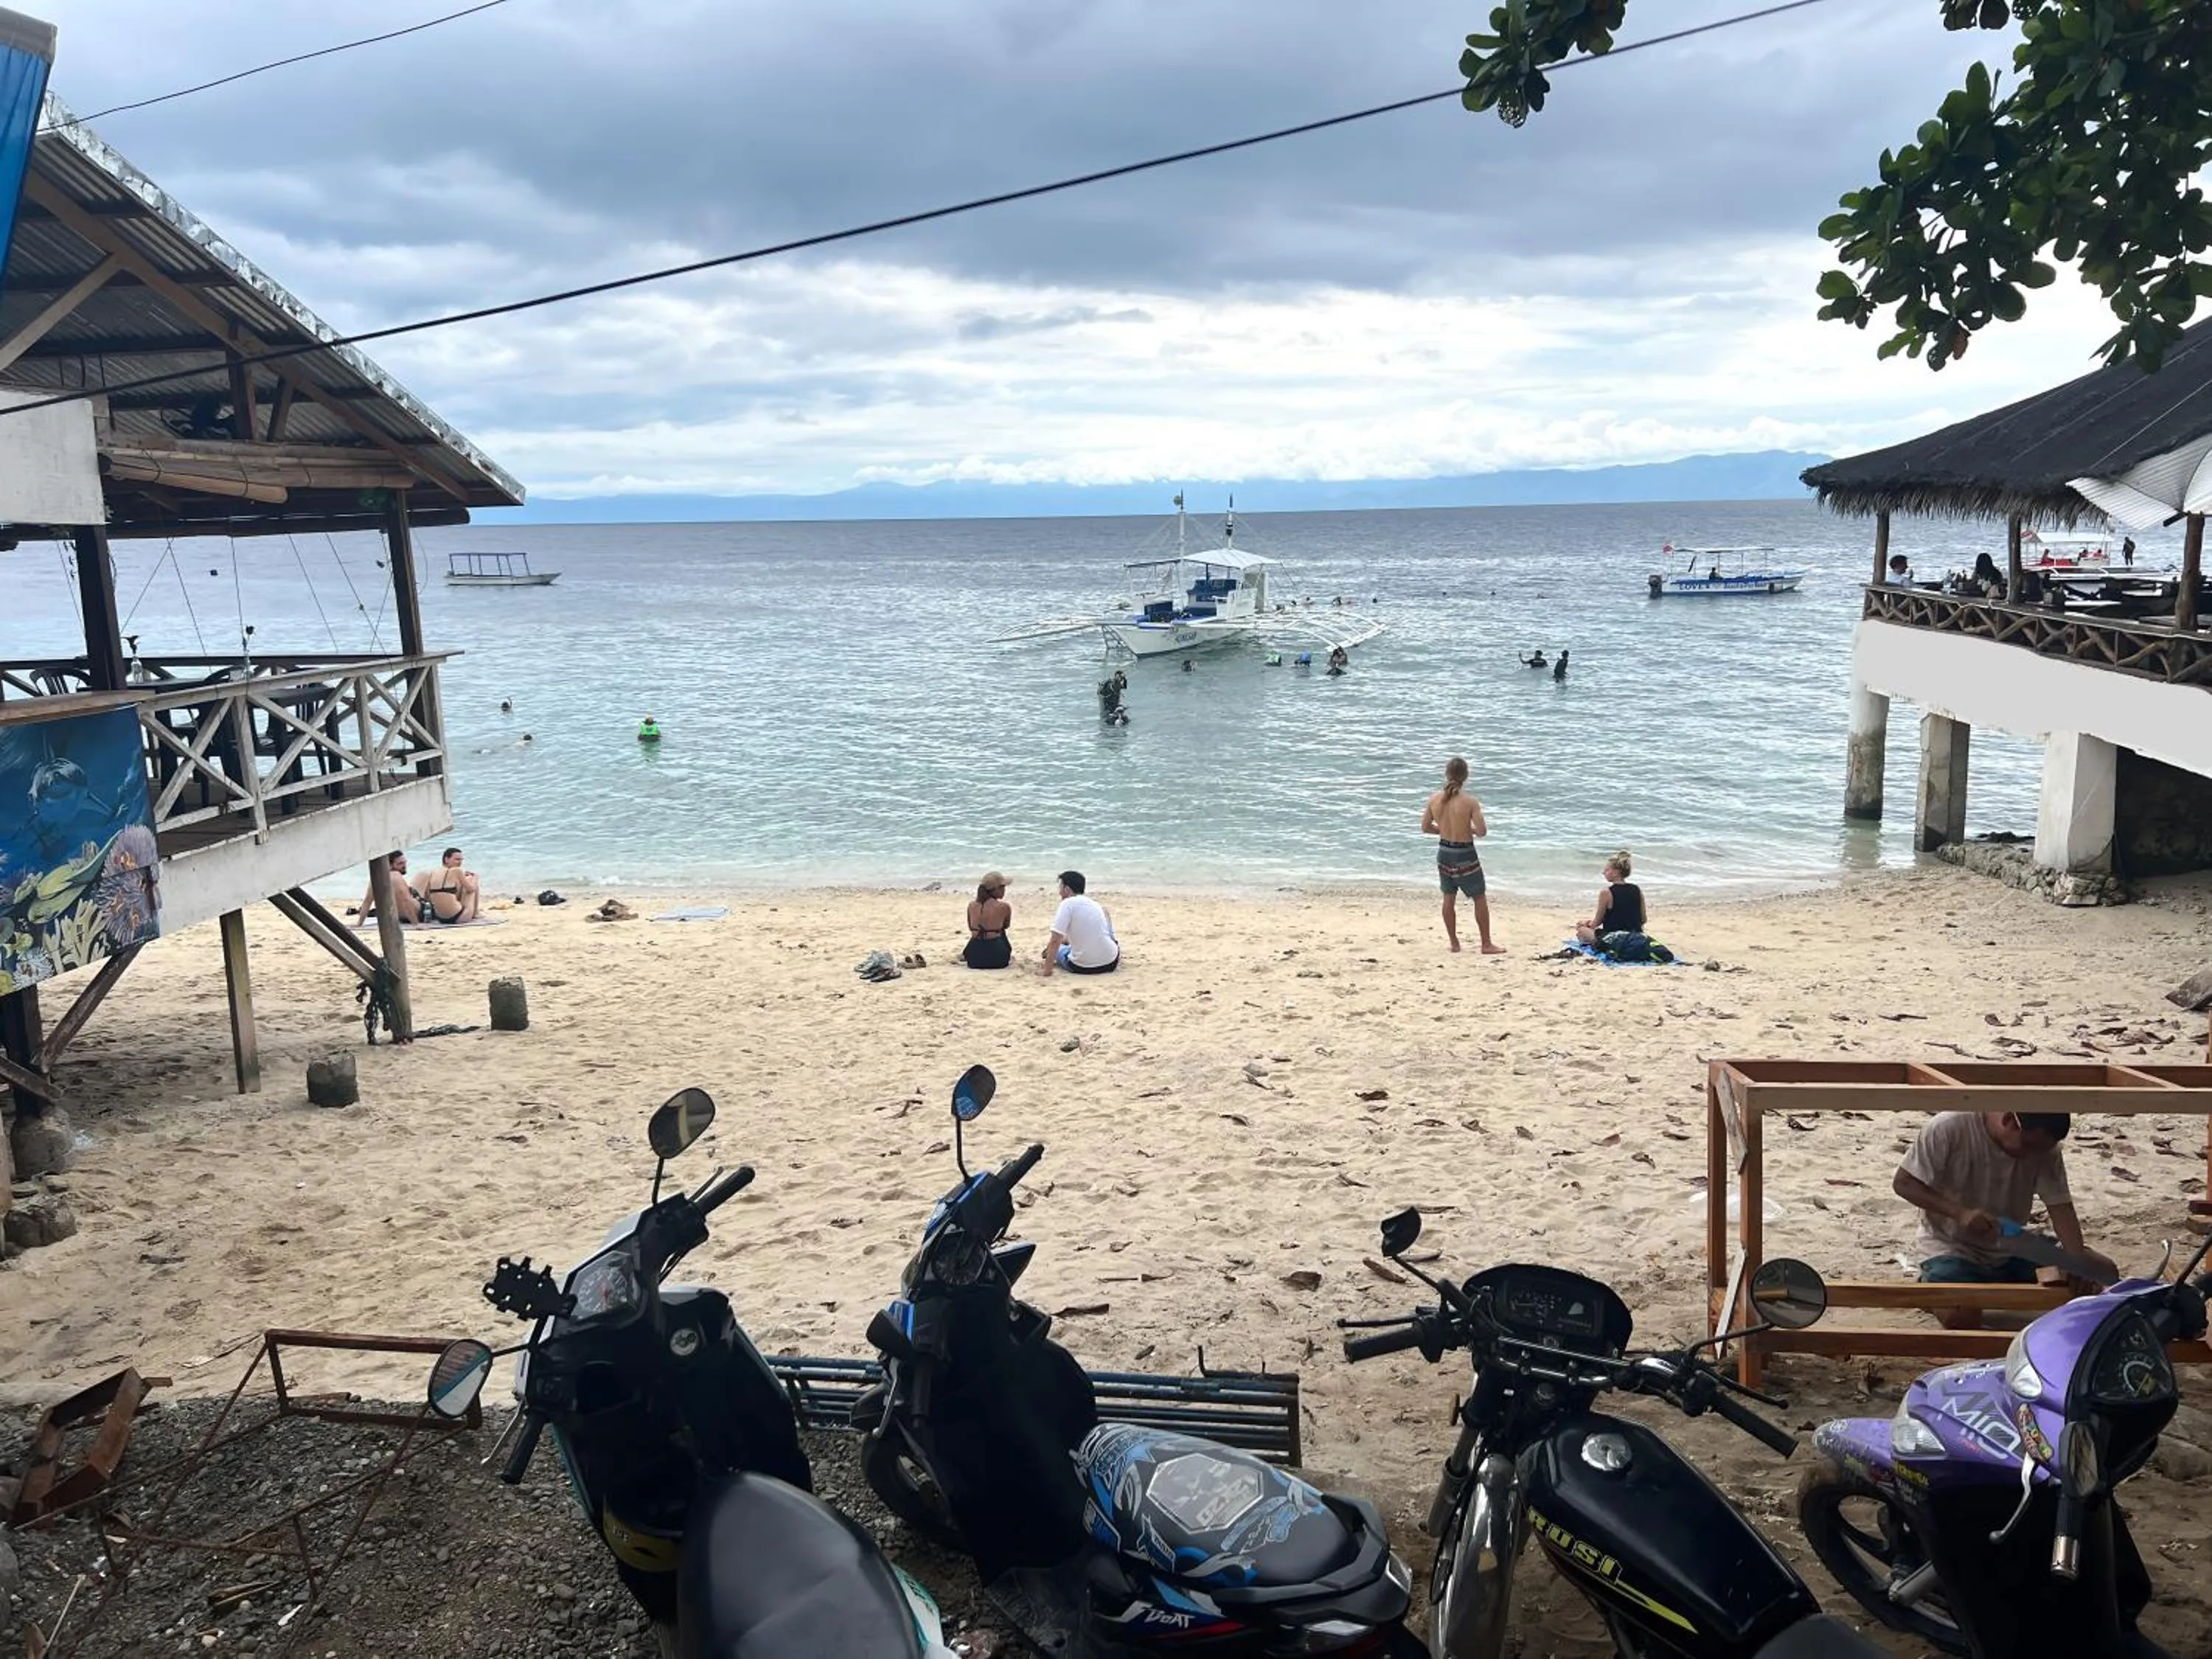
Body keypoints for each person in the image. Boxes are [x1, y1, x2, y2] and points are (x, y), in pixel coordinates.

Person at [1894, 1111, 2118, 1329]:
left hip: (2011, 1245)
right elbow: (1904, 1183)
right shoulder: (1948, 1127)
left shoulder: (2043, 1148)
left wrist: (2076, 1262)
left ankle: (1987, 1291)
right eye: (2028, 1146)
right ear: (2010, 1120)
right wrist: (1960, 1213)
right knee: (1961, 1317)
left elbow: (2061, 1209)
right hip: (1952, 1247)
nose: (2033, 1156)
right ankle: (1932, 1289)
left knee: (2104, 1271)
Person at [1422, 757, 1502, 955]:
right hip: (1465, 854)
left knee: (1448, 898)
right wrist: (1469, 830)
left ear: (1447, 774)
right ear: (1466, 776)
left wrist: (1444, 831)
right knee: (1479, 897)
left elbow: (1425, 827)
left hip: (1444, 853)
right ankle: (1486, 944)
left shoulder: (1434, 799)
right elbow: (1482, 831)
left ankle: (1454, 943)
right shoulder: (1470, 802)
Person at [1041, 870, 1119, 975]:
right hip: (1111, 962)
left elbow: (1056, 939)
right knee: (1104, 913)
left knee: (1058, 949)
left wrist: (1047, 971)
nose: (1059, 892)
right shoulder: (1094, 904)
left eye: (1060, 888)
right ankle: (1112, 943)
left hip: (1082, 967)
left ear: (1067, 889)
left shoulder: (1067, 904)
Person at [1576, 850, 1646, 947]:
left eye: (1607, 870)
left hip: (1614, 939)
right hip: (1636, 937)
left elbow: (1596, 923)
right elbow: (1643, 920)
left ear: (1616, 873)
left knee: (1581, 930)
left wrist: (1585, 923)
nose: (1603, 872)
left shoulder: (1606, 892)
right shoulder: (1637, 889)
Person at [414, 846, 481, 924]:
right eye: (457, 859)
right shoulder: (457, 870)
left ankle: (472, 912)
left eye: (461, 860)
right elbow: (471, 889)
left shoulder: (434, 872)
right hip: (459, 917)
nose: (460, 862)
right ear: (446, 859)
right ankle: (476, 913)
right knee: (471, 880)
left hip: (440, 918)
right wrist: (476, 877)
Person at [962, 872, 1014, 970]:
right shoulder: (1004, 907)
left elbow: (971, 927)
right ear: (996, 890)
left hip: (974, 959)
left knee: (979, 931)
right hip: (998, 958)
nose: (1004, 890)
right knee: (1000, 930)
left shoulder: (972, 905)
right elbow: (1006, 925)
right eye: (1002, 887)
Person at [357, 852, 424, 923]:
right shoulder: (397, 876)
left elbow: (367, 902)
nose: (404, 866)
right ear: (390, 865)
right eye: (400, 864)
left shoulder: (377, 878)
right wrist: (416, 923)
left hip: (396, 916)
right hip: (417, 914)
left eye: (404, 862)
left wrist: (359, 923)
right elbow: (406, 901)